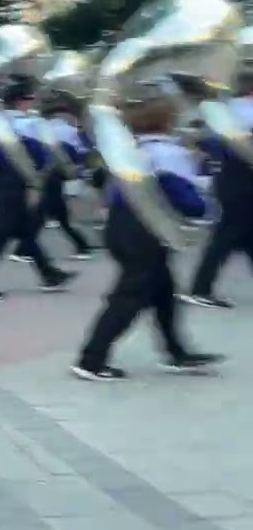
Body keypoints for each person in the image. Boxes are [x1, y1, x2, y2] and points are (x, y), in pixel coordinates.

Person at [71, 77, 225, 380]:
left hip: (121, 225)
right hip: (147, 231)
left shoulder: (129, 150)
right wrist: (207, 208)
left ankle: (176, 352)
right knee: (130, 296)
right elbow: (187, 198)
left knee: (163, 291)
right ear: (167, 120)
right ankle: (92, 359)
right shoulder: (170, 153)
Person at [0, 74, 76, 300]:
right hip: (16, 180)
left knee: (23, 228)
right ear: (22, 101)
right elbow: (45, 154)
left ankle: (48, 273)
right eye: (30, 99)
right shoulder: (30, 123)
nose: (32, 103)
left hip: (3, 180)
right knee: (0, 232)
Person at [184, 71, 253, 309]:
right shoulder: (245, 111)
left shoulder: (224, 110)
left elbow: (199, 138)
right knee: (226, 237)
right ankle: (200, 288)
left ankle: (200, 287)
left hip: (229, 177)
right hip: (243, 179)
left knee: (245, 235)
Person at [15, 97, 94, 260]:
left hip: (42, 173)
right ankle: (81, 245)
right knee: (51, 213)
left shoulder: (35, 128)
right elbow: (80, 152)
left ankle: (24, 248)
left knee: (49, 213)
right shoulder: (68, 130)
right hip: (55, 173)